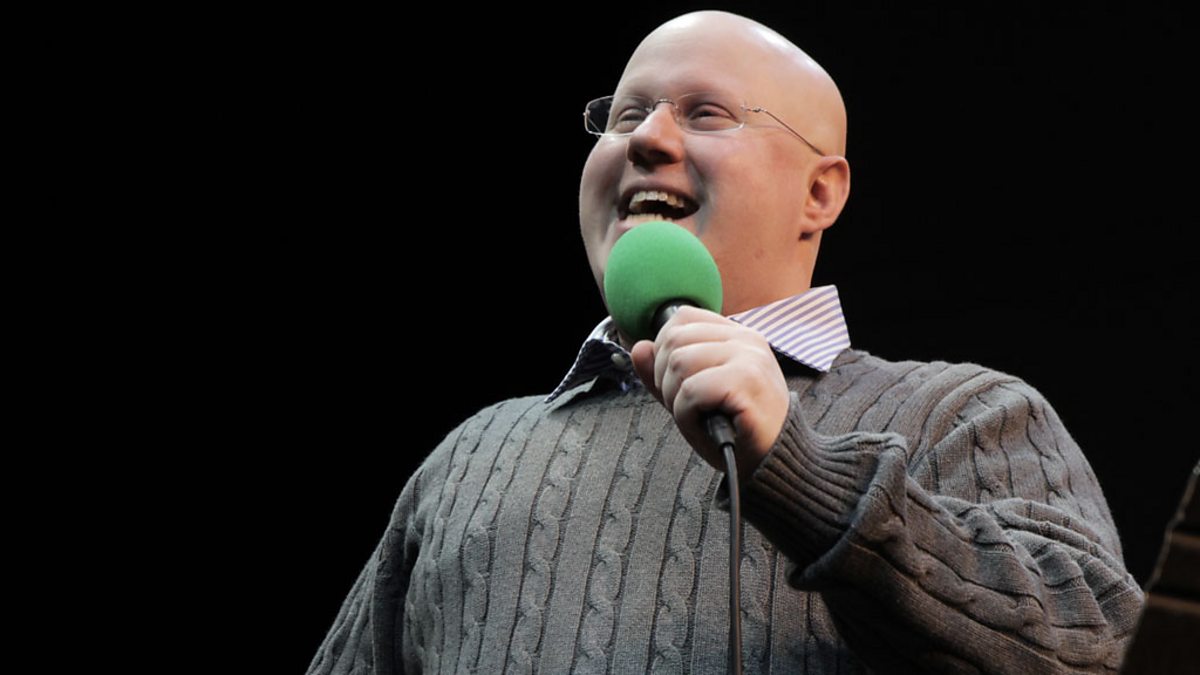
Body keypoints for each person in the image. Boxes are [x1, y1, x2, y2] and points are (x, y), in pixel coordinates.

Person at [308, 11, 1143, 674]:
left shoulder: (966, 414)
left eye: (704, 113)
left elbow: (1105, 652)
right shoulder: (471, 456)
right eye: (624, 114)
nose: (647, 138)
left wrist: (803, 475)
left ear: (820, 192)